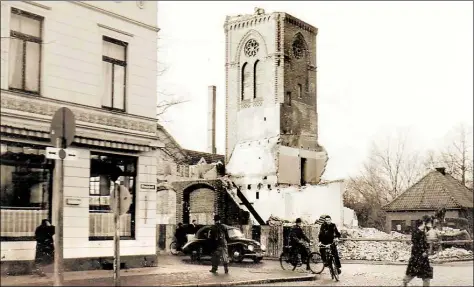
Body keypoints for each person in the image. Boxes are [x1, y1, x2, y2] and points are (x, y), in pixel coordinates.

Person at [403, 216, 433, 287]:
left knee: (413, 272)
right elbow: (419, 245)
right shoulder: (420, 233)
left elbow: (416, 245)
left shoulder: (416, 232)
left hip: (417, 257)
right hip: (421, 257)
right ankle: (405, 281)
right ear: (423, 224)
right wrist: (424, 251)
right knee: (426, 275)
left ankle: (405, 281)